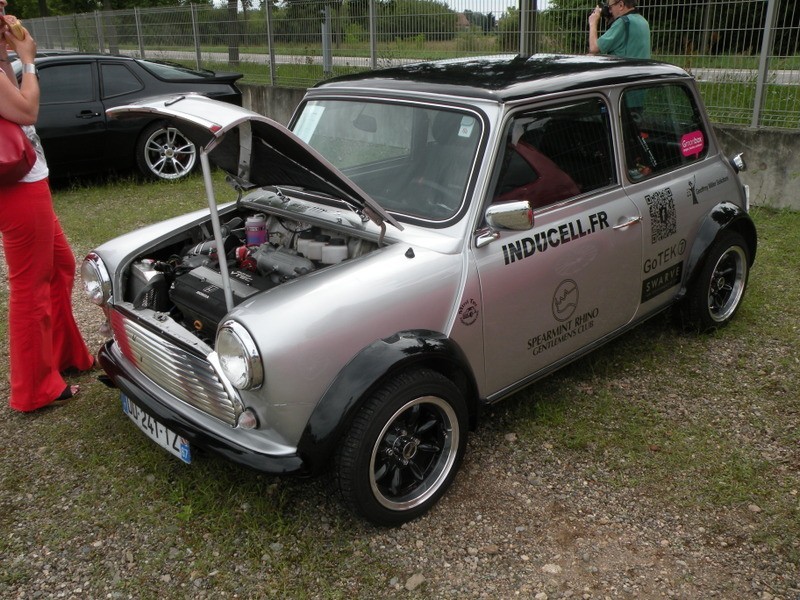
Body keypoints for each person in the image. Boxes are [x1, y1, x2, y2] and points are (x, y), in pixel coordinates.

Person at [0, 4, 95, 412]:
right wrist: (29, 63)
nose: (5, 10)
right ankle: (34, 389)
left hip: (29, 181)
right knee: (30, 287)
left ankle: (64, 354)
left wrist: (7, 53)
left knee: (61, 266)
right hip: (17, 188)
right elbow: (26, 109)